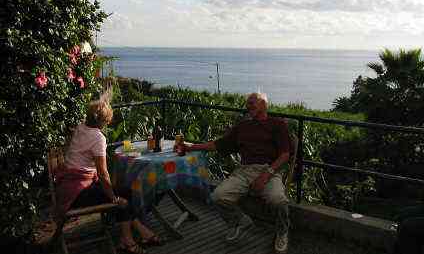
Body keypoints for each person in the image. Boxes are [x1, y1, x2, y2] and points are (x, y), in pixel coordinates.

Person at [177, 92, 291, 254]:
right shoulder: (243, 126)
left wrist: (266, 175)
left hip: (269, 170)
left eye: (252, 102)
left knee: (278, 201)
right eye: (247, 103)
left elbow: (285, 154)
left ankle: (282, 231)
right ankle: (240, 221)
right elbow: (218, 145)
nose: (248, 105)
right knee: (217, 196)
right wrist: (191, 147)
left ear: (264, 105)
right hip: (244, 170)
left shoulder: (277, 125)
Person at [55, 93, 162, 254]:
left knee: (125, 192)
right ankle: (128, 240)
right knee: (123, 198)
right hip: (77, 193)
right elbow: (103, 173)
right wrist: (112, 197)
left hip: (69, 185)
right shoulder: (98, 138)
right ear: (103, 121)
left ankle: (132, 236)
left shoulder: (81, 127)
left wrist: (113, 194)